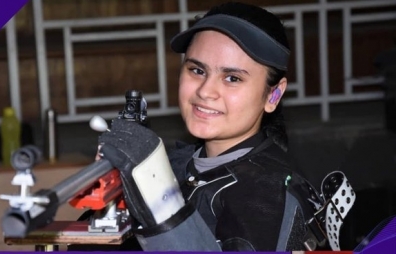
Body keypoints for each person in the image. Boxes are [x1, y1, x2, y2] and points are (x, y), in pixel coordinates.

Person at [76, 1, 355, 252]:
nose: (206, 91)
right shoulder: (179, 163)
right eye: (197, 70)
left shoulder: (267, 197)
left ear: (273, 95)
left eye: (232, 78)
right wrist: (112, 199)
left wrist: (159, 204)